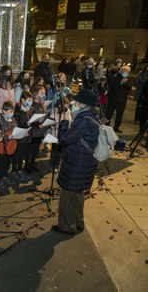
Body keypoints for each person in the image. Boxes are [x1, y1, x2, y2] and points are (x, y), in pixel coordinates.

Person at [52, 89, 100, 235]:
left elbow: (65, 139)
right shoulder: (93, 117)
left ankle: (66, 226)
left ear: (83, 104)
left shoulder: (83, 121)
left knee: (68, 194)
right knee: (78, 194)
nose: (74, 103)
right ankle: (78, 222)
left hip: (76, 164)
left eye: (76, 102)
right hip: (86, 162)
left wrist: (65, 121)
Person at [0, 101, 17, 187]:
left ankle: (4, 175)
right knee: (0, 164)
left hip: (11, 146)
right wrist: (8, 137)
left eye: (13, 111)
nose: (12, 113)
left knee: (7, 163)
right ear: (4, 111)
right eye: (10, 111)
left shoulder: (13, 120)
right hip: (2, 147)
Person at [13, 91, 33, 182]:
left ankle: (20, 170)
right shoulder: (18, 111)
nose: (30, 102)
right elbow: (17, 124)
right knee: (17, 154)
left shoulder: (29, 110)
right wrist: (27, 124)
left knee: (22, 155)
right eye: (29, 100)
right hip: (20, 137)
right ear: (22, 100)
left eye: (31, 100)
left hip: (27, 137)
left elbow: (31, 121)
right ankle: (14, 170)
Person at [105, 66, 131, 133]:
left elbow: (129, 87)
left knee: (119, 115)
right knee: (109, 113)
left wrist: (125, 83)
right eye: (126, 72)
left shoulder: (126, 78)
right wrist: (120, 83)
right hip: (113, 99)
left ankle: (116, 127)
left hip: (122, 100)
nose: (127, 73)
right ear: (122, 71)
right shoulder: (114, 77)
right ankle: (106, 126)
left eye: (128, 72)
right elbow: (112, 88)